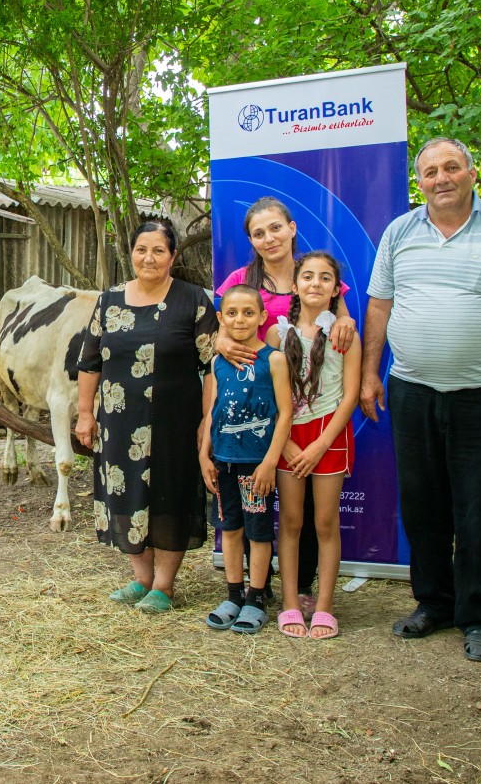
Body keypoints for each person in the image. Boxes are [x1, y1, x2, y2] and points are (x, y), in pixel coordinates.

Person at [361, 137, 481, 662]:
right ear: (418, 182)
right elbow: (379, 305)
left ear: (471, 173)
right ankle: (434, 603)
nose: (441, 178)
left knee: (480, 508)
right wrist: (370, 374)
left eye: (452, 167)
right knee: (423, 506)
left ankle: (478, 616)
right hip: (412, 388)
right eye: (430, 171)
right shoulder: (400, 231)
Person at [215, 197, 356, 616]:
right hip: (266, 416)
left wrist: (347, 322)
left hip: (321, 413)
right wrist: (222, 342)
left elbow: (342, 324)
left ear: (292, 229)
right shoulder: (241, 278)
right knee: (278, 510)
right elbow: (217, 328)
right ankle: (263, 588)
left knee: (316, 511)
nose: (268, 238)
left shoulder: (315, 271)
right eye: (258, 233)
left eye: (275, 228)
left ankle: (307, 587)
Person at [75, 220, 218, 614]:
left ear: (173, 256)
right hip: (119, 422)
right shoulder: (109, 301)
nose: (149, 257)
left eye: (158, 250)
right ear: (132, 253)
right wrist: (85, 413)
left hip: (176, 422)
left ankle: (164, 586)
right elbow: (89, 363)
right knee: (123, 491)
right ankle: (141, 578)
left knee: (171, 494)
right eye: (142, 249)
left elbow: (212, 366)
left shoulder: (194, 301)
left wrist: (207, 419)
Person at [266, 252, 362, 640]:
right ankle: (290, 602)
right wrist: (285, 444)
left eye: (326, 278)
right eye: (308, 276)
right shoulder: (277, 333)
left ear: (336, 289)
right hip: (289, 439)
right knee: (290, 521)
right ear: (295, 284)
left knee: (325, 523)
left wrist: (322, 444)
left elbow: (350, 396)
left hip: (329, 438)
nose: (316, 284)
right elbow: (269, 395)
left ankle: (324, 607)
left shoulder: (344, 335)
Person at [200, 285, 293, 633]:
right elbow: (212, 411)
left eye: (249, 313)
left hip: (256, 466)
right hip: (222, 461)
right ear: (222, 319)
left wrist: (269, 462)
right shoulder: (217, 361)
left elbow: (285, 414)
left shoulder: (274, 360)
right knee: (230, 529)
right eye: (233, 313)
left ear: (262, 317)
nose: (241, 319)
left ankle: (256, 597)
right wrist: (203, 454)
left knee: (257, 532)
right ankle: (234, 594)